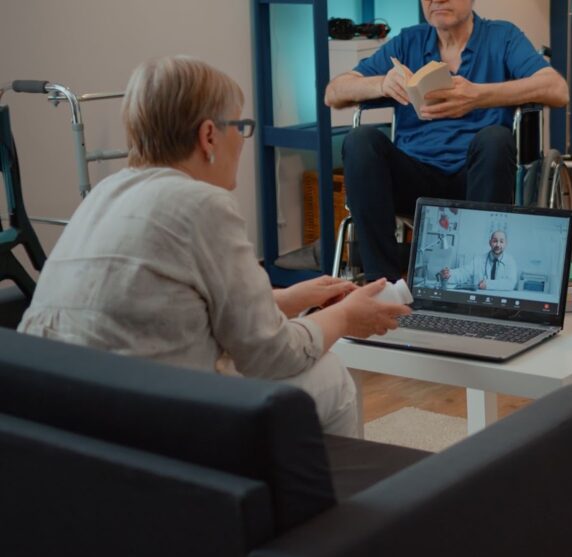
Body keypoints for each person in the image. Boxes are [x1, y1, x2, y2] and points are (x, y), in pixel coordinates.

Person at [17, 55, 410, 437]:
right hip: (144, 422)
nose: (241, 140)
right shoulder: (201, 204)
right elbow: (273, 355)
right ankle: (341, 504)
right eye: (239, 126)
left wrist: (287, 298)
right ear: (208, 136)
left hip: (60, 419)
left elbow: (176, 309)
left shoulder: (104, 193)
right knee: (331, 377)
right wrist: (345, 317)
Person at [323, 0, 569, 282]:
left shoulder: (503, 37)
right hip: (415, 177)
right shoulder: (408, 41)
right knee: (360, 140)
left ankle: (475, 285)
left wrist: (479, 95)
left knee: (496, 138)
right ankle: (382, 285)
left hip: (477, 179)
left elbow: (557, 89)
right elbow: (334, 92)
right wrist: (379, 84)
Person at [439, 229, 517, 291]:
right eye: (495, 241)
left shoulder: (510, 261)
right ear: (490, 243)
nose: (498, 245)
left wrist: (488, 284)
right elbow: (463, 273)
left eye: (501, 242)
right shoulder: (478, 260)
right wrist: (449, 274)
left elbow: (511, 283)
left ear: (506, 244)